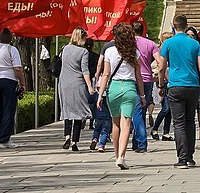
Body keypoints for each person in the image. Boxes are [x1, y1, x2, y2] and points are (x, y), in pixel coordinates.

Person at [157, 14, 200, 168]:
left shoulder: (168, 43)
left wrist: (161, 86)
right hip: (192, 86)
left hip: (175, 85)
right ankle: (190, 157)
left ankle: (182, 158)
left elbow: (161, 67)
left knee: (178, 123)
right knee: (189, 121)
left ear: (174, 26)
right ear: (186, 26)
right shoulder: (194, 44)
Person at [97, 23, 144, 170]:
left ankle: (116, 154)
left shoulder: (110, 51)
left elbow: (106, 74)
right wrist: (142, 95)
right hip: (129, 88)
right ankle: (122, 156)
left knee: (115, 123)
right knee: (127, 123)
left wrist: (100, 95)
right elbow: (139, 76)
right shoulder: (135, 52)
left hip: (114, 89)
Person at [0, 28, 27, 150]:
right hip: (9, 81)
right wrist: (22, 83)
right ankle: (4, 139)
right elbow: (17, 68)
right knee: (8, 110)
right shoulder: (12, 50)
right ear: (10, 38)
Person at [58, 27, 95, 152]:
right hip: (77, 82)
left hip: (64, 82)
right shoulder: (83, 52)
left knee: (67, 110)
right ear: (82, 38)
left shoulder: (65, 49)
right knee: (78, 112)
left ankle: (67, 136)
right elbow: (85, 70)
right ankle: (74, 141)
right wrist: (90, 86)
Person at [131, 21, 158, 152]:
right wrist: (158, 72)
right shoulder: (150, 44)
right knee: (140, 111)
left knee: (136, 112)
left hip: (132, 79)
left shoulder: (129, 44)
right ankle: (136, 141)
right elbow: (160, 60)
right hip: (147, 79)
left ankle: (141, 142)